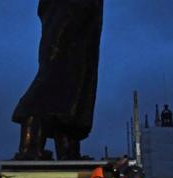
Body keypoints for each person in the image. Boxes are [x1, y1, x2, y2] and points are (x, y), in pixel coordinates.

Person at [12, 0, 104, 160]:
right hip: (69, 9)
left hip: (84, 14)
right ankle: (31, 142)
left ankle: (67, 148)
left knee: (76, 81)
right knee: (56, 71)